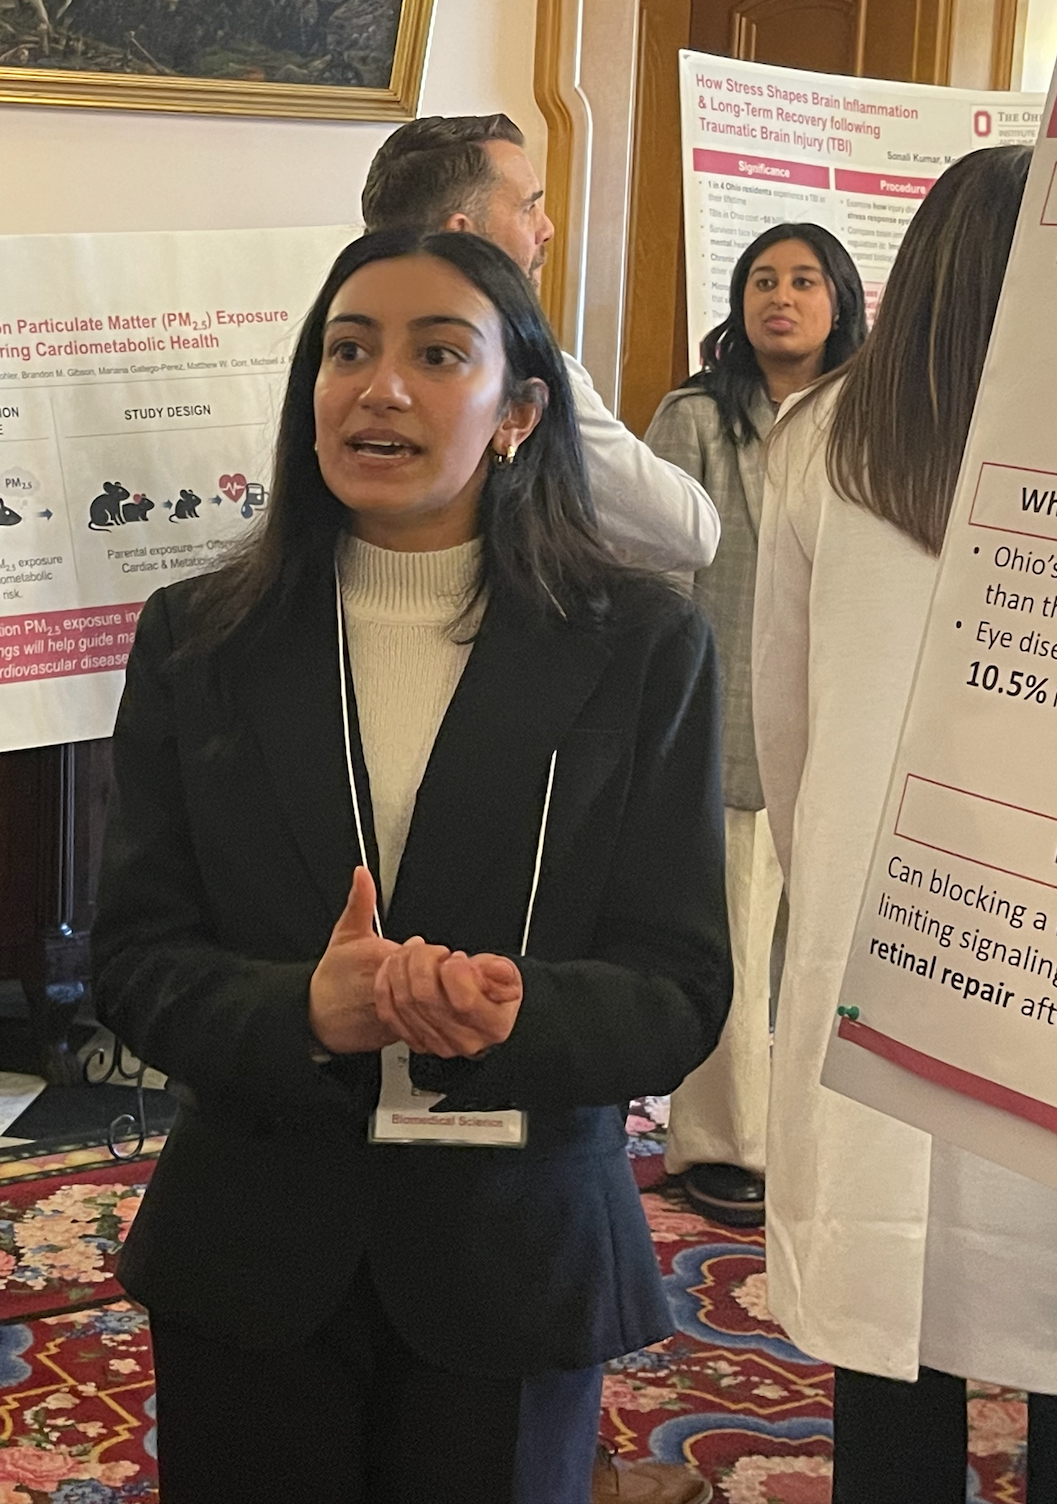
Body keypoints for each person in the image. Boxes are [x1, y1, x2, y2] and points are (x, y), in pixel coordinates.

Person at [92, 227, 731, 1504]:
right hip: (255, 1247)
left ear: (517, 411)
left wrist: (519, 1013)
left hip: (513, 1244)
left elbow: (674, 984)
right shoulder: (198, 639)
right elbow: (132, 952)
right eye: (346, 351)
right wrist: (300, 1009)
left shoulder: (640, 645)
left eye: (438, 353)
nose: (378, 388)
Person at [753, 145, 1057, 1501]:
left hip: (886, 948)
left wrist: (831, 881)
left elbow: (787, 732)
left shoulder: (824, 443)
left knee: (891, 1352)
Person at [648, 223, 867, 1228]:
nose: (780, 297)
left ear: (840, 300)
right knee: (731, 937)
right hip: (724, 711)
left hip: (841, 712)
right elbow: (653, 563)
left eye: (803, 280)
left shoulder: (871, 415)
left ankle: (811, 1137)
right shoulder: (693, 415)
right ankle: (722, 1143)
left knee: (818, 944)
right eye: (761, 281)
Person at [361, 113, 719, 576]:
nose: (546, 228)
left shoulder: (333, 359)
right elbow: (687, 531)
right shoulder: (524, 372)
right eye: (529, 207)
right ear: (462, 236)